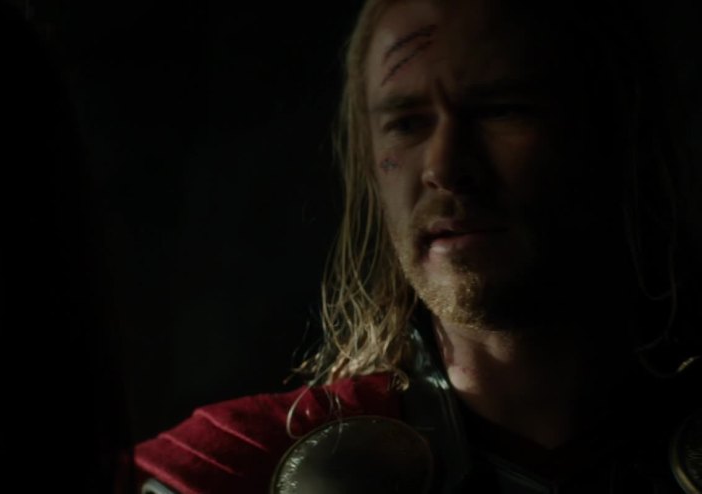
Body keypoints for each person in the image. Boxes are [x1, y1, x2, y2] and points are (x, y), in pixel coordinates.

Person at [135, 0, 702, 492]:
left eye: (502, 110)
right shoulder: (239, 470)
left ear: (619, 129)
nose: (445, 167)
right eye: (407, 123)